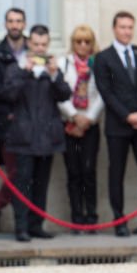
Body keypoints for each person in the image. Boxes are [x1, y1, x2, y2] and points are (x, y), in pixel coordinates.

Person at [0, 25, 71, 242]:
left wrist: (55, 74)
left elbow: (65, 94)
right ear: (29, 44)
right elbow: (8, 94)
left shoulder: (53, 70)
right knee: (23, 184)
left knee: (41, 183)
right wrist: (24, 71)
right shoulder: (15, 67)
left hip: (47, 137)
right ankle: (21, 227)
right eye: (36, 44)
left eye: (44, 45)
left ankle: (36, 225)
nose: (40, 49)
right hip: (23, 137)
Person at [93, 11, 137, 236]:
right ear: (114, 29)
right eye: (122, 27)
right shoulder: (103, 58)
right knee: (116, 173)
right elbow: (107, 93)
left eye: (130, 27)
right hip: (118, 125)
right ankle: (119, 220)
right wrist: (127, 116)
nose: (127, 32)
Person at [57, 25, 104, 231]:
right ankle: (76, 217)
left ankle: (91, 216)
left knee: (89, 171)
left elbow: (103, 93)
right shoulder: (63, 63)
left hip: (90, 124)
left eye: (87, 42)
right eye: (79, 41)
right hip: (68, 123)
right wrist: (74, 116)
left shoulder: (98, 64)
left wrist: (89, 118)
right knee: (73, 172)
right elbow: (59, 93)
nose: (83, 46)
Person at [0, 8, 27, 233]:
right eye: (11, 21)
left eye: (18, 21)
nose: (15, 25)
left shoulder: (33, 49)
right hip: (8, 124)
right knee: (15, 172)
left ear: (24, 23)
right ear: (5, 24)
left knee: (28, 174)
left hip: (32, 122)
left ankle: (25, 221)